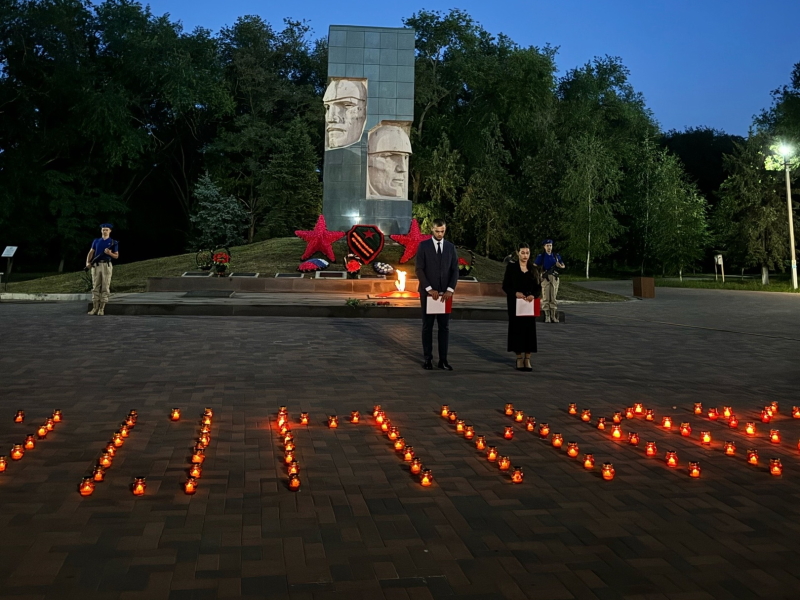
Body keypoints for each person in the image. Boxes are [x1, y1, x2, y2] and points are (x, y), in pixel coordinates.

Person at [415, 219, 459, 370]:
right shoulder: (424, 246)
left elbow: (455, 270)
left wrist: (450, 290)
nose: (440, 234)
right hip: (428, 294)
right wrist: (428, 288)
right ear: (432, 230)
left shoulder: (450, 247)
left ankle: (443, 360)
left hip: (444, 295)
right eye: (437, 231)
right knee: (427, 326)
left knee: (444, 327)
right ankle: (428, 358)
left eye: (442, 231)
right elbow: (419, 269)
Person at [502, 243, 542, 371]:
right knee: (516, 330)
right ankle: (519, 357)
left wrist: (533, 296)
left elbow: (538, 288)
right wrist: (515, 293)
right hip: (515, 304)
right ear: (518, 253)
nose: (525, 255)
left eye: (527, 253)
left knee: (529, 331)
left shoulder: (534, 269)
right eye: (523, 253)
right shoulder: (512, 268)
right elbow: (505, 286)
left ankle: (527, 358)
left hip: (529, 305)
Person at [86, 223, 119, 315]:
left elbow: (116, 256)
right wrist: (88, 262)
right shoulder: (96, 241)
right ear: (101, 231)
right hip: (96, 265)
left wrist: (109, 253)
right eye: (103, 230)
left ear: (110, 231)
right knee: (95, 286)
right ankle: (95, 308)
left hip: (106, 265)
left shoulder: (113, 242)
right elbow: (91, 252)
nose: (105, 231)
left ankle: (102, 308)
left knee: (105, 286)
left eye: (106, 230)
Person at [533, 239, 564, 323]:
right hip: (545, 277)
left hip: (554, 277)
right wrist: (539, 273)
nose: (549, 247)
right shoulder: (541, 256)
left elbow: (563, 265)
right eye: (547, 246)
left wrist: (560, 266)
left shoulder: (556, 256)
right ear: (544, 247)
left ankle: (553, 316)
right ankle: (547, 316)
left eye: (550, 245)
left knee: (553, 297)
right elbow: (534, 266)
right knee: (546, 297)